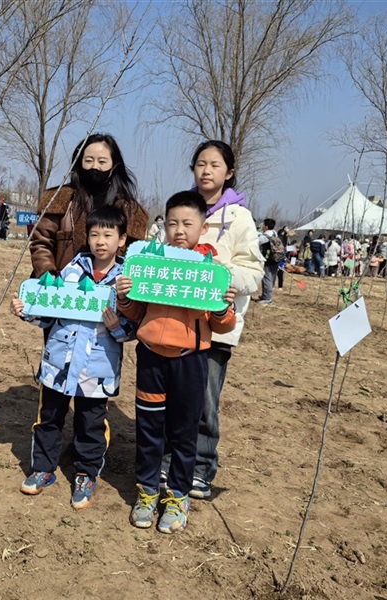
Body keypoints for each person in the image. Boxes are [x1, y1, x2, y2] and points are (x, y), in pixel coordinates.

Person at [117, 191, 237, 534]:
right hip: (151, 360)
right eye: (172, 223)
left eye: (187, 223)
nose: (179, 230)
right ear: (164, 226)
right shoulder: (150, 264)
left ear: (203, 226)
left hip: (191, 362)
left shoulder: (211, 271)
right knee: (150, 430)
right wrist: (125, 296)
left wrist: (220, 308)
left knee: (184, 434)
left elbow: (223, 325)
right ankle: (147, 492)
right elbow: (137, 311)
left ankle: (178, 496)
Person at [11, 206, 136, 510]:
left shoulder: (126, 282)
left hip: (97, 369)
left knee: (90, 422)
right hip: (59, 363)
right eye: (94, 234)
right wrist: (27, 311)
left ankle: (86, 474)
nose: (100, 241)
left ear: (122, 240)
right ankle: (43, 469)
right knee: (49, 417)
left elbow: (133, 328)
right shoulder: (70, 270)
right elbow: (51, 315)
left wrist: (117, 327)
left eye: (108, 234)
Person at [159, 140, 262, 500]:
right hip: (176, 324)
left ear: (229, 172)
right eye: (200, 164)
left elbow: (255, 274)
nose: (206, 171)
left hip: (217, 326)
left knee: (203, 401)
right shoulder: (180, 208)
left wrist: (220, 273)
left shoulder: (239, 217)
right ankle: (168, 461)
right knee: (173, 398)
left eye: (215, 165)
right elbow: (160, 259)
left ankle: (201, 467)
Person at [30, 133, 148, 277]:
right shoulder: (59, 198)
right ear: (79, 162)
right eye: (89, 160)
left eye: (102, 161)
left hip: (110, 292)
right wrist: (48, 274)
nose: (94, 166)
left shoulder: (131, 210)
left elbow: (135, 257)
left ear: (114, 166)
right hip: (61, 286)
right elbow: (41, 243)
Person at [257, 218, 281, 303]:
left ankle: (267, 298)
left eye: (263, 225)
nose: (262, 226)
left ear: (266, 227)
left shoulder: (265, 236)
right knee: (272, 277)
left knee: (266, 278)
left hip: (267, 259)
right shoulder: (275, 233)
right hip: (276, 258)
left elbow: (257, 242)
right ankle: (265, 295)